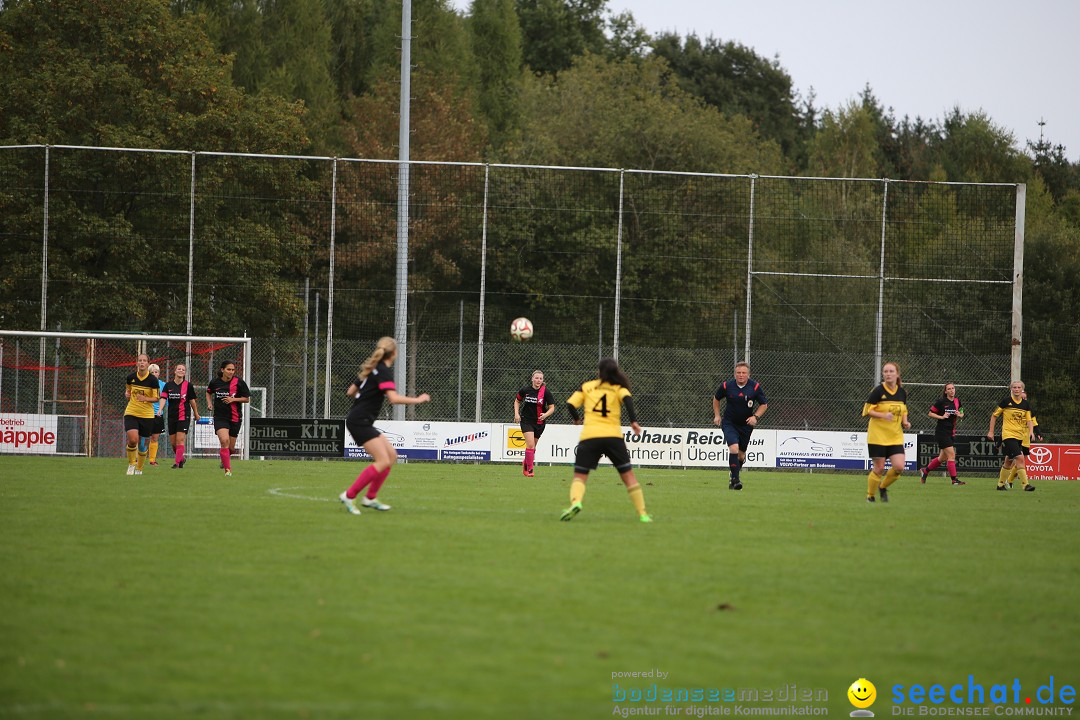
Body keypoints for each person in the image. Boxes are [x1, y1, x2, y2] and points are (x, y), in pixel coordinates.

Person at [339, 337, 431, 515]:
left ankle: (370, 498)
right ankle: (349, 495)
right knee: (382, 461)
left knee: (391, 456)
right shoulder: (382, 371)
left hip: (360, 419)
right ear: (394, 353)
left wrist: (366, 395)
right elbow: (394, 399)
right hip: (360, 421)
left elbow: (350, 392)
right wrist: (418, 400)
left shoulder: (371, 369)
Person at [560, 358, 651, 523]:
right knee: (628, 476)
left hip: (590, 437)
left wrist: (576, 420)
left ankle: (576, 502)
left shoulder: (586, 386)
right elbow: (628, 400)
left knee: (580, 476)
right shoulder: (618, 388)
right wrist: (633, 422)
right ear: (615, 372)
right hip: (613, 437)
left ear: (599, 371)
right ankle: (643, 514)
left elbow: (570, 404)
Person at [712, 361, 768, 490]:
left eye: (743, 373)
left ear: (748, 374)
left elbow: (764, 405)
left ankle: (734, 475)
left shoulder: (755, 387)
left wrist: (755, 417)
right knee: (734, 448)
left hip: (746, 426)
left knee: (741, 455)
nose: (741, 375)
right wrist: (717, 415)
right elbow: (716, 398)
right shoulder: (727, 385)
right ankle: (735, 480)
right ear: (735, 373)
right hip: (729, 423)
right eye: (738, 373)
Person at [862, 361, 911, 503]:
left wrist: (905, 421)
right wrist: (883, 415)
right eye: (885, 372)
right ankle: (870, 496)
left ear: (897, 374)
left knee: (899, 467)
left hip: (895, 436)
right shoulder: (878, 391)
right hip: (877, 436)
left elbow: (903, 409)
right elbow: (867, 411)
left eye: (891, 371)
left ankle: (882, 487)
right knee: (879, 468)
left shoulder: (902, 392)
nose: (888, 374)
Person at [206, 360, 251, 477]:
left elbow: (246, 399)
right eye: (228, 369)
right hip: (220, 417)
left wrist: (233, 399)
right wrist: (209, 403)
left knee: (231, 448)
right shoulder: (215, 382)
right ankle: (228, 470)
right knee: (224, 440)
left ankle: (224, 459)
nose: (231, 372)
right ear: (222, 370)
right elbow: (208, 392)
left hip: (235, 417)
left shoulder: (239, 383)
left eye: (233, 370)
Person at [991, 386, 1038, 491]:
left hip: (1020, 436)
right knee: (1020, 458)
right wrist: (991, 431)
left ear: (1022, 389)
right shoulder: (1006, 401)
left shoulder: (1025, 404)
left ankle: (1000, 485)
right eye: (1014, 387)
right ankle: (1025, 485)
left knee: (1008, 460)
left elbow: (1029, 420)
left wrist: (1031, 432)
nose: (1017, 389)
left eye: (1019, 387)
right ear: (1011, 389)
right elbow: (994, 415)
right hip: (1008, 435)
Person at [920, 382, 965, 485]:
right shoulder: (941, 402)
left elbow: (962, 412)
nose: (951, 390)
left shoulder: (958, 401)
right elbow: (930, 413)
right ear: (945, 391)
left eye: (953, 388)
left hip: (951, 432)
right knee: (951, 454)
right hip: (941, 432)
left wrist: (960, 414)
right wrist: (942, 417)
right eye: (949, 389)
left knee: (942, 458)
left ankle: (925, 471)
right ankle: (954, 480)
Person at [122, 353, 161, 476]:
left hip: (147, 415)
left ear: (148, 363)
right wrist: (127, 395)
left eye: (144, 361)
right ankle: (131, 464)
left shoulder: (153, 380)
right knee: (133, 439)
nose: (142, 362)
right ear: (137, 363)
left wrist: (145, 398)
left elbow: (156, 398)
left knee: (142, 444)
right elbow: (128, 392)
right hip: (131, 412)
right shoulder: (131, 377)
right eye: (140, 360)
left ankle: (139, 468)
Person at [514, 370, 556, 477]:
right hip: (526, 420)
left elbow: (552, 408)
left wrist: (545, 415)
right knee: (530, 445)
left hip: (539, 422)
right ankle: (530, 470)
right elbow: (517, 401)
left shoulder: (546, 392)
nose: (538, 380)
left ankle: (525, 465)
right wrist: (516, 414)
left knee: (533, 447)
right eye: (536, 378)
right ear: (532, 379)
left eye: (541, 378)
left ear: (543, 380)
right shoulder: (525, 390)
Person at [162, 363, 200, 469]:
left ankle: (177, 463)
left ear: (185, 373)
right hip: (172, 417)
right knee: (174, 443)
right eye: (179, 369)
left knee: (180, 440)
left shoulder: (188, 386)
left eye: (183, 369)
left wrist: (196, 413)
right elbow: (163, 398)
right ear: (175, 371)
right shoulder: (168, 386)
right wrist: (160, 409)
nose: (181, 371)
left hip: (184, 416)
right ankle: (181, 458)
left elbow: (192, 401)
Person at [146, 363, 167, 466]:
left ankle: (152, 460)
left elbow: (166, 400)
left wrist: (161, 409)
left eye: (156, 372)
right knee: (141, 437)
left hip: (158, 415)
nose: (154, 374)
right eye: (152, 372)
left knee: (154, 437)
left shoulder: (163, 385)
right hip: (145, 414)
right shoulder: (144, 384)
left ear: (159, 373)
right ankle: (136, 458)